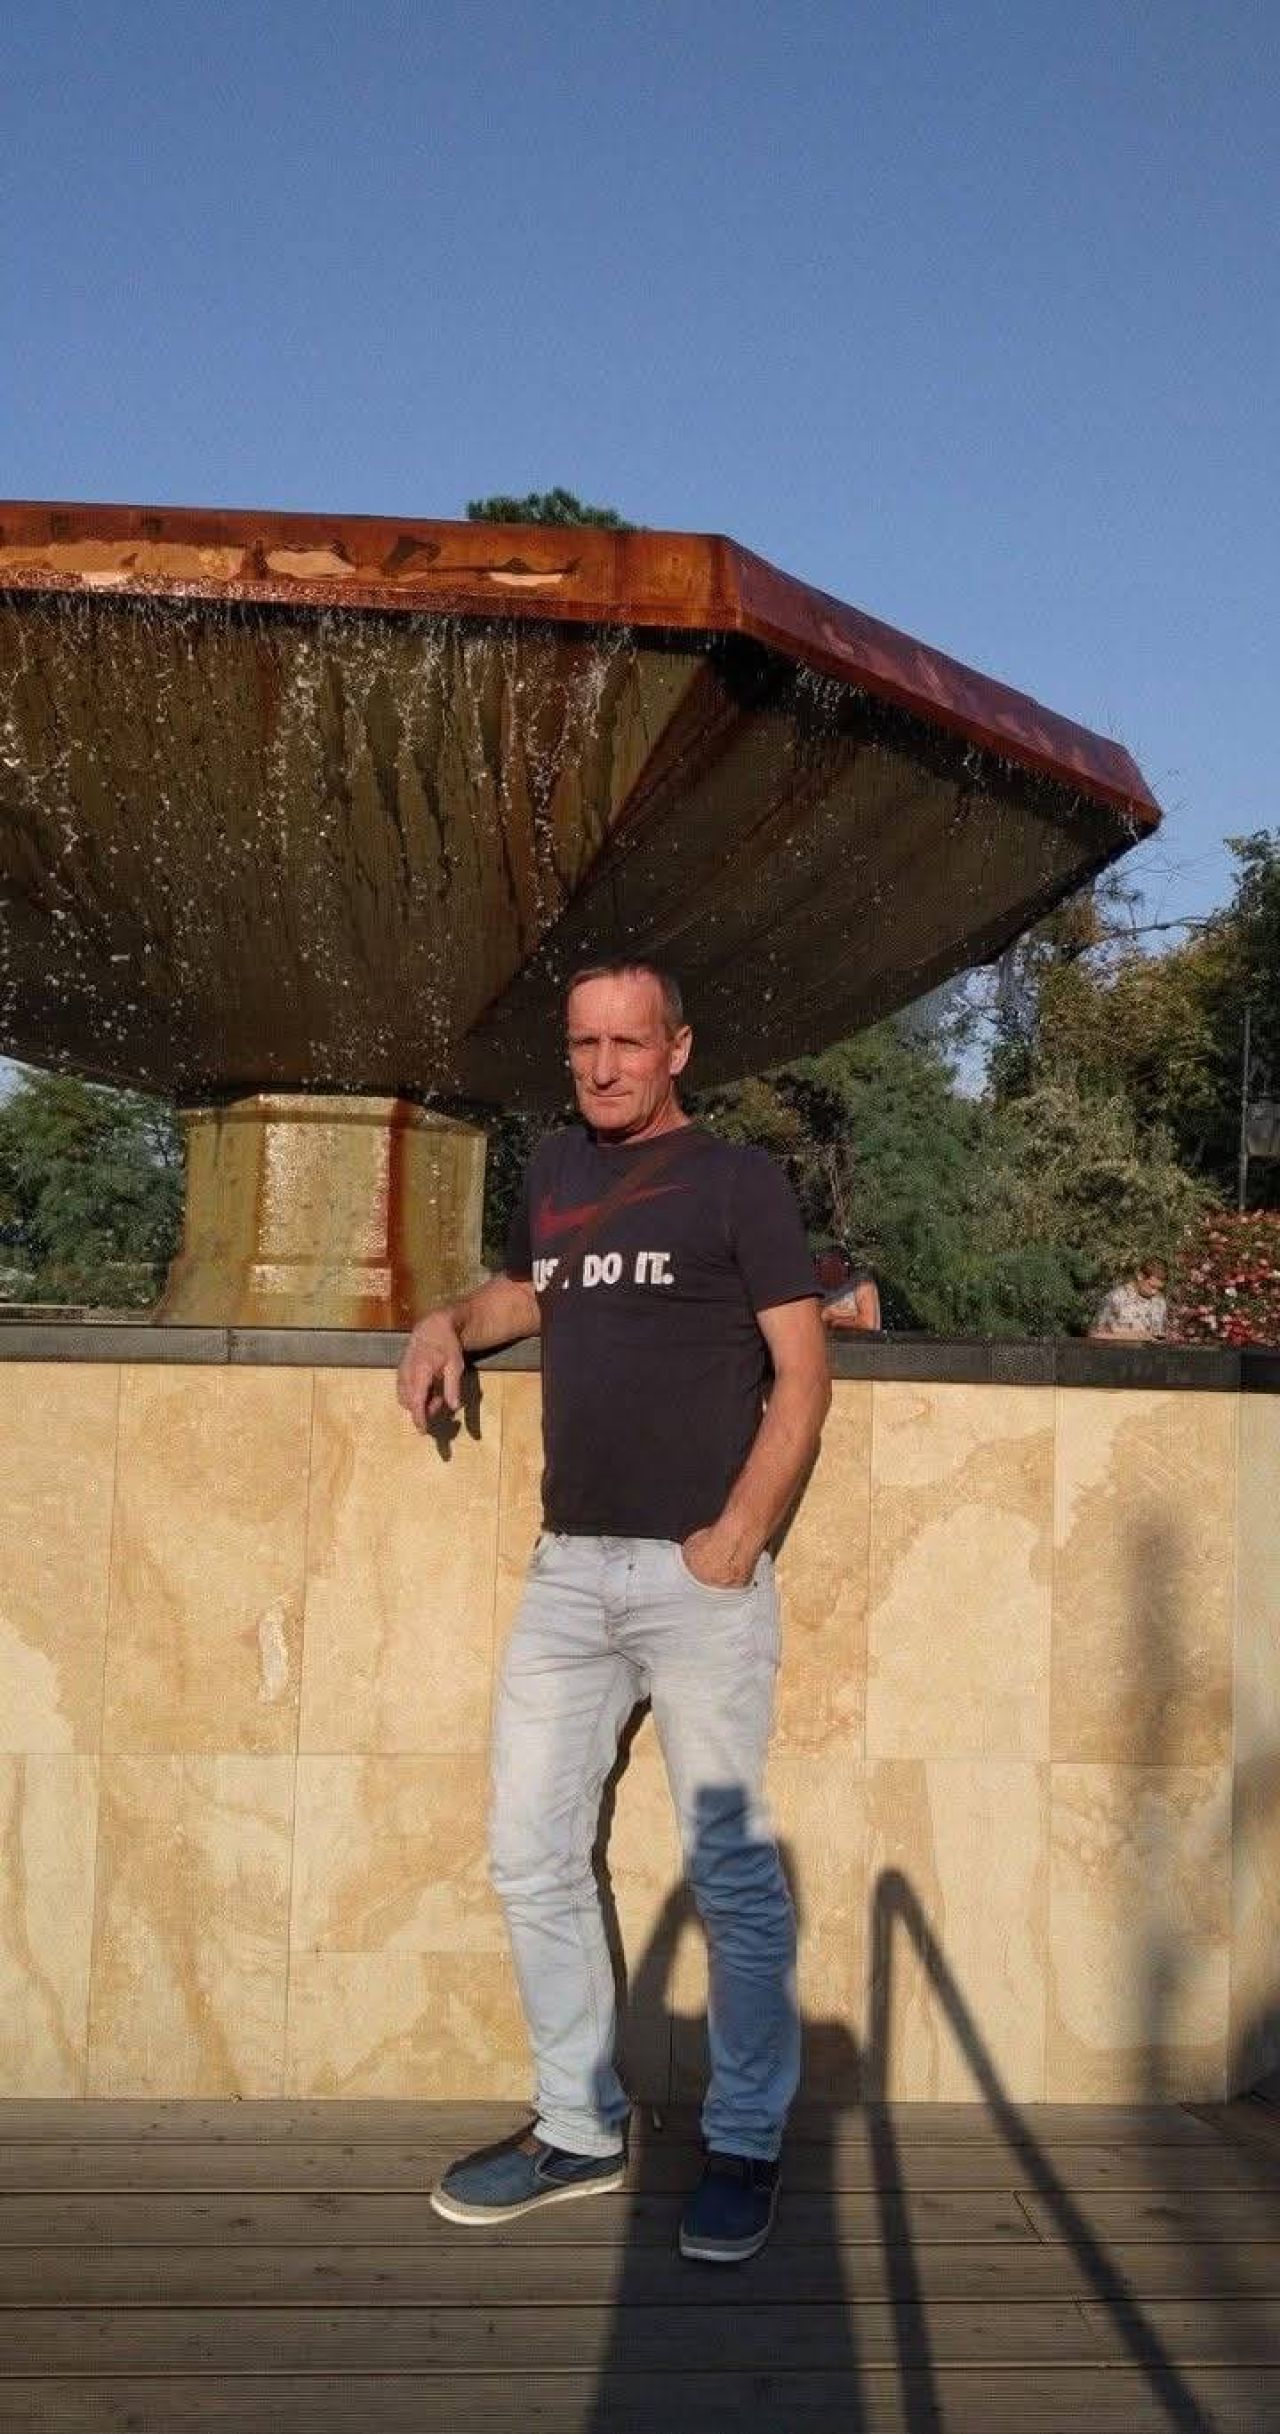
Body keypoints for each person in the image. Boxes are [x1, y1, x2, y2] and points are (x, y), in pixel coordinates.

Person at [397, 957, 830, 2263]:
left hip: (698, 1580)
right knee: (528, 1844)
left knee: (728, 1869)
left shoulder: (739, 1182)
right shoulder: (554, 1168)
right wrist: (443, 1321)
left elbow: (802, 1375)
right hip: (569, 1572)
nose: (601, 1067)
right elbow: (530, 1291)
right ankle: (577, 2128)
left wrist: (735, 1538)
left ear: (676, 1049)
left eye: (627, 1043)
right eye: (583, 1044)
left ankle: (744, 2138)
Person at [1088, 1257, 1168, 1342]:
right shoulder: (1116, 1297)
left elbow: (1159, 1335)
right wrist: (1132, 1336)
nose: (1154, 1292)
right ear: (1140, 1276)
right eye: (1152, 1286)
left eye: (1159, 1288)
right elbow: (1094, 1334)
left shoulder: (1160, 1302)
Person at [815, 1245, 882, 1333]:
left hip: (860, 1340)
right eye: (817, 1264)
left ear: (841, 1266)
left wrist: (834, 1321)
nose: (816, 1269)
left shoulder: (862, 1284)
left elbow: (868, 1325)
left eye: (821, 1264)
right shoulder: (815, 1287)